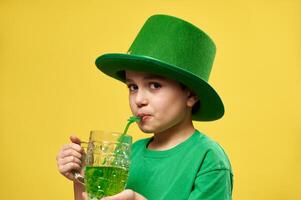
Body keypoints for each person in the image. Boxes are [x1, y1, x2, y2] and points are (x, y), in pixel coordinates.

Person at [56, 14, 233, 200]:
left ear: (190, 94)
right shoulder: (126, 155)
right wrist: (83, 177)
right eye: (133, 87)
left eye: (155, 85)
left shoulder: (208, 159)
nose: (139, 99)